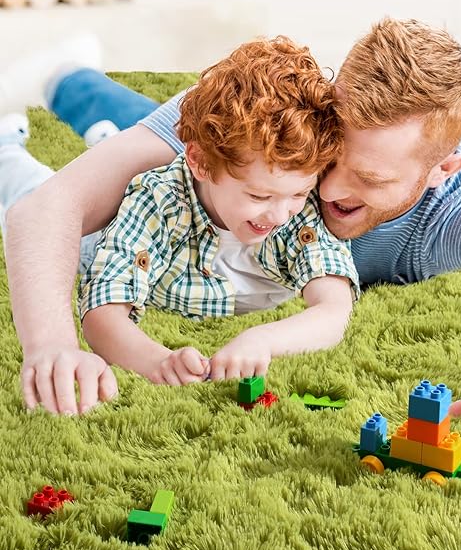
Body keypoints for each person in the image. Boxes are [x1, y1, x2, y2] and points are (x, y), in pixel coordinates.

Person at [1, 21, 461, 419]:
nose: (327, 189)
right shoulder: (288, 129)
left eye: (369, 180)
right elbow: (49, 206)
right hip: (267, 147)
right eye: (331, 157)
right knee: (175, 136)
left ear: (443, 170)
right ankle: (67, 74)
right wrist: (52, 343)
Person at [0, 37, 360, 395]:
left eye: (297, 194)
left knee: (114, 150)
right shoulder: (156, 200)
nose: (281, 214)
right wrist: (157, 361)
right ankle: (6, 144)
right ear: (200, 163)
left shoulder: (301, 208)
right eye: (258, 196)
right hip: (93, 240)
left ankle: (104, 133)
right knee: (32, 188)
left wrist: (264, 340)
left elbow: (334, 309)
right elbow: (102, 313)